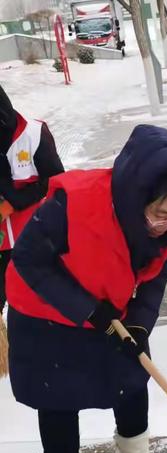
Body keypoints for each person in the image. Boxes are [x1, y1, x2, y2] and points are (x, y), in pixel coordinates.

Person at [6, 125, 167, 453]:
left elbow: (156, 274)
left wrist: (139, 322)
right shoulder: (72, 204)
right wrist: (86, 309)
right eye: (162, 214)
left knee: (132, 378)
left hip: (111, 310)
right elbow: (27, 261)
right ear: (137, 196)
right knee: (58, 397)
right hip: (47, 312)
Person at [0, 85, 64, 314]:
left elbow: (56, 182)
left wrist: (13, 202)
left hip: (34, 238)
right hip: (1, 244)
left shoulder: (34, 134)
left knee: (38, 304)